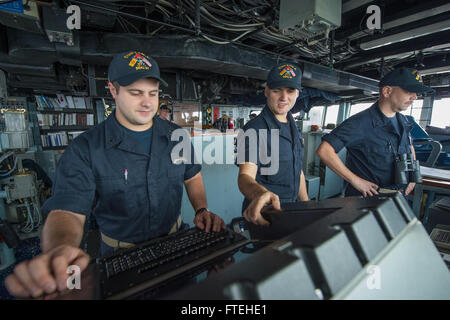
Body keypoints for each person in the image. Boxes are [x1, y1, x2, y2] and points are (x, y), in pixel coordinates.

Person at [5, 50, 225, 298]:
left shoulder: (178, 136)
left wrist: (201, 209)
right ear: (113, 90)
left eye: (153, 94)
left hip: (175, 244)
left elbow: (192, 176)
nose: (147, 102)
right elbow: (67, 210)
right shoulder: (85, 148)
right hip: (120, 258)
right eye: (135, 93)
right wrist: (60, 249)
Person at [316, 67, 434, 197]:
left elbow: (409, 146)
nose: (415, 97)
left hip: (398, 197)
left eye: (416, 93)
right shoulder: (360, 122)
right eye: (409, 91)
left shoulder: (403, 121)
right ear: (387, 91)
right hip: (368, 200)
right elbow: (325, 150)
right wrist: (356, 181)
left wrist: (412, 176)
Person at [236, 63, 309, 226]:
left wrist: (305, 203)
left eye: (290, 91)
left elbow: (297, 170)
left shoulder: (293, 126)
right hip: (266, 215)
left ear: (297, 93)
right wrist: (260, 194)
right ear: (267, 91)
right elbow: (245, 176)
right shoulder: (254, 130)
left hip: (292, 211)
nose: (284, 97)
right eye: (277, 90)